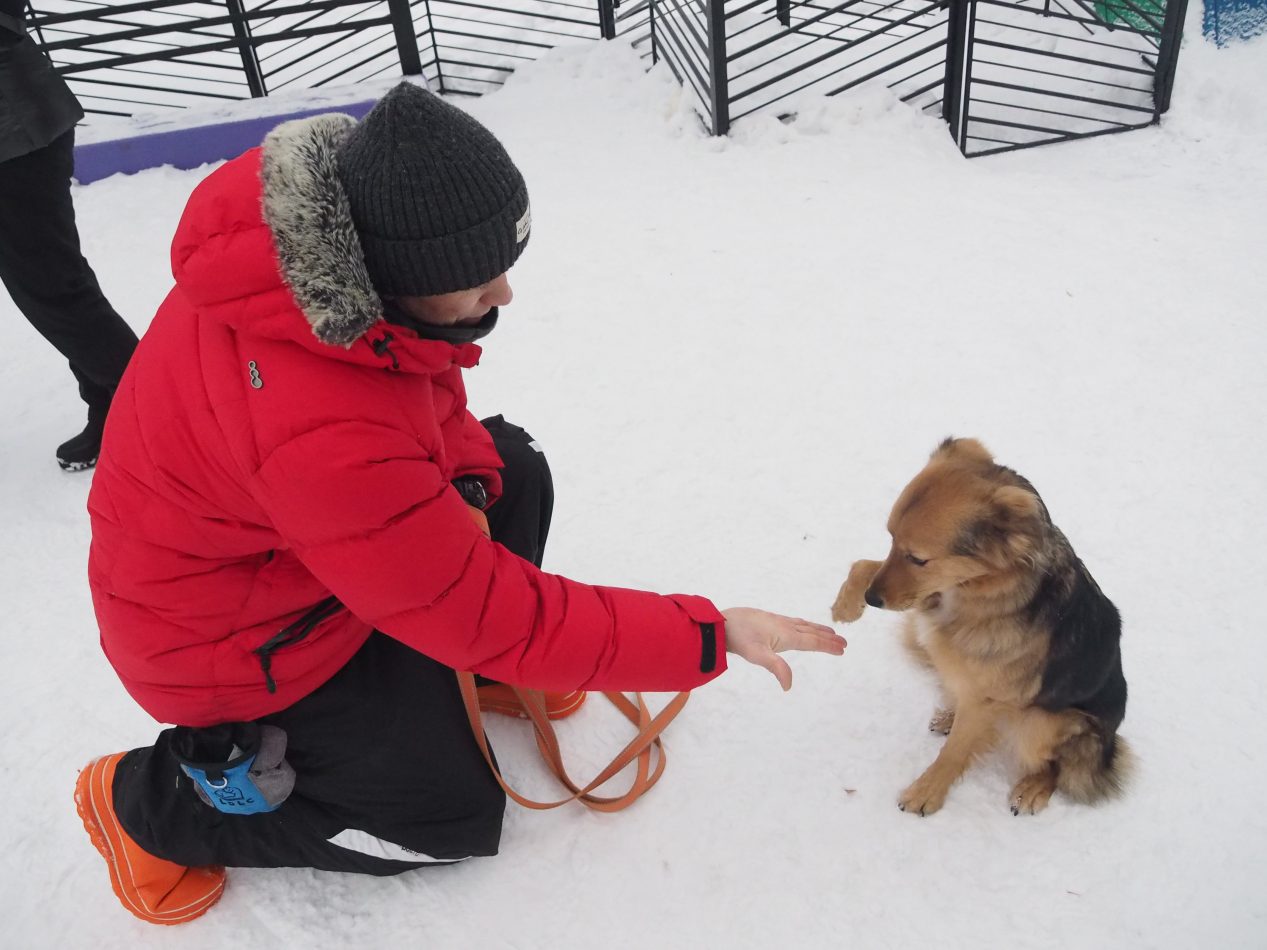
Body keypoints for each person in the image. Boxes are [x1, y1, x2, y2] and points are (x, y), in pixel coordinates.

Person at [73, 81, 846, 925]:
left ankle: (476, 678)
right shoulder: (323, 428)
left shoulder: (321, 281)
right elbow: (492, 612)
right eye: (476, 278)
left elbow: (418, 386)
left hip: (304, 566)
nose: (504, 294)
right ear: (401, 272)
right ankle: (142, 806)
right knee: (438, 824)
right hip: (239, 650)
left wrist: (469, 486)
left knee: (512, 465)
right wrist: (707, 632)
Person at [0, 1, 139, 470]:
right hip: (19, 128)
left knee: (54, 289)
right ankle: (111, 401)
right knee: (52, 285)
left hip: (17, 138)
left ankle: (147, 409)